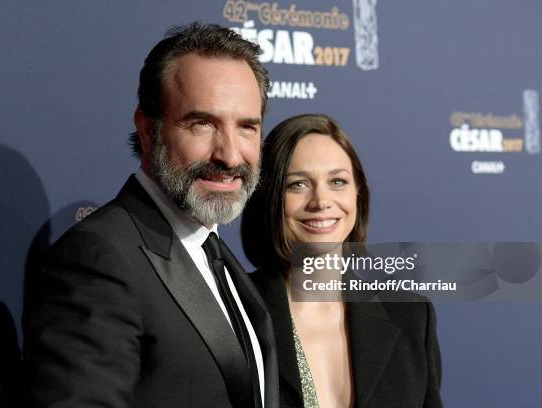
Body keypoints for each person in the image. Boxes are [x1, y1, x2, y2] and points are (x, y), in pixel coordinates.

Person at [23, 23, 279, 408]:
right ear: (147, 130)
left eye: (246, 127)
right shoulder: (100, 259)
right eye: (202, 124)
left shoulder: (215, 254)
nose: (229, 155)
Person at [241, 114, 442, 408]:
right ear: (269, 198)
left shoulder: (411, 315)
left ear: (357, 195)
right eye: (298, 184)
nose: (321, 201)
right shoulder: (234, 311)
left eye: (337, 181)